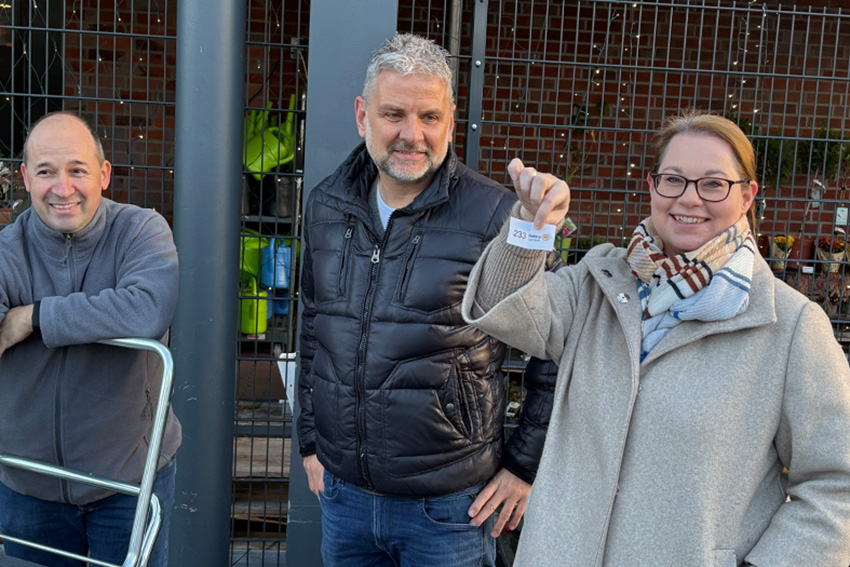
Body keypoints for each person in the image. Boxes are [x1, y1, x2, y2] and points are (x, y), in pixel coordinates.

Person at [462, 110, 850, 566]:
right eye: (673, 180)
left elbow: (836, 486)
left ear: (747, 196)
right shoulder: (598, 284)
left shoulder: (790, 326)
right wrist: (531, 223)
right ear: (652, 187)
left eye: (713, 184)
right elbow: (500, 307)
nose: (689, 198)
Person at [297, 33, 557, 566]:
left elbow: (554, 345)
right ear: (362, 115)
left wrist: (524, 466)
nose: (412, 135)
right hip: (344, 499)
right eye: (394, 114)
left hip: (451, 509)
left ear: (451, 121)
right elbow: (313, 325)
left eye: (429, 117)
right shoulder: (326, 205)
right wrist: (309, 442)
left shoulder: (498, 217)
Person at [0, 111, 182, 567]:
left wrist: (33, 317)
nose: (63, 188)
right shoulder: (7, 250)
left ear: (103, 174)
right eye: (46, 172)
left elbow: (147, 309)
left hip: (126, 481)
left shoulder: (140, 230)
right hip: (29, 486)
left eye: (77, 170)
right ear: (25, 178)